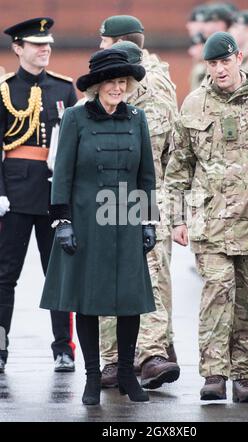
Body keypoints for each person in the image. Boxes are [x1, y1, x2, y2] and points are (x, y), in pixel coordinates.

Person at [164, 32, 248, 403]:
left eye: (225, 61)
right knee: (217, 295)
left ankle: (244, 375)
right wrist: (176, 217)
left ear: (239, 58)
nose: (220, 70)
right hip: (211, 224)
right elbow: (178, 168)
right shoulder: (194, 105)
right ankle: (214, 373)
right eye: (212, 64)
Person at [40, 48, 158, 405]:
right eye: (112, 82)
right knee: (87, 301)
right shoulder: (76, 118)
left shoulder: (138, 118)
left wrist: (148, 220)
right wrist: (62, 221)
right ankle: (92, 377)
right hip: (86, 220)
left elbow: (146, 174)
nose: (118, 88)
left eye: (123, 81)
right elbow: (63, 173)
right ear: (97, 86)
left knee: (130, 302)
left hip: (126, 217)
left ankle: (125, 374)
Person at [98, 15, 179, 388]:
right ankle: (121, 358)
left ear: (115, 43)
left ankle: (149, 355)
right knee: (118, 273)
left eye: (103, 41)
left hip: (145, 190)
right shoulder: (106, 79)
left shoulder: (152, 85)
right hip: (115, 192)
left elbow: (164, 148)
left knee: (147, 272)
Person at [0, 17, 77, 374]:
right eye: (35, 44)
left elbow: (71, 148)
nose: (44, 49)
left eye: (47, 43)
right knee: (4, 276)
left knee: (59, 274)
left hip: (53, 196)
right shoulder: (4, 90)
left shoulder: (64, 89)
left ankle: (63, 349)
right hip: (13, 195)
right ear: (18, 48)